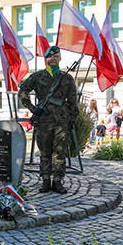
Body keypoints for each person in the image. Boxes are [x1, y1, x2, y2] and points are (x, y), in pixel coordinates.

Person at [18, 46, 79, 194]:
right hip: (44, 120)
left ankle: (57, 181)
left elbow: (72, 100)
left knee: (60, 153)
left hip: (61, 121)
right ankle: (46, 181)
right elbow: (23, 91)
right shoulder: (37, 77)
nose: (53, 58)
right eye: (50, 57)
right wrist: (33, 109)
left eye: (56, 56)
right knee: (45, 152)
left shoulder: (67, 78)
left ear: (60, 58)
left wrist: (73, 119)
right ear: (46, 59)